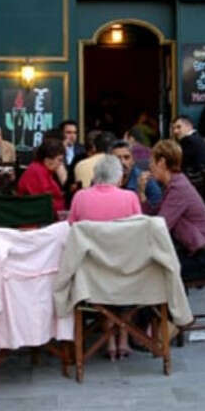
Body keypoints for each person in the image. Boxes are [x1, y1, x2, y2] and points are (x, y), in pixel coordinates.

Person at [67, 154, 143, 359]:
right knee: (126, 268)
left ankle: (109, 340)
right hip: (125, 273)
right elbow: (137, 235)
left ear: (95, 176)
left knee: (103, 273)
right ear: (119, 179)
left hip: (90, 276)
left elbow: (71, 230)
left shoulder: (80, 197)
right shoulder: (130, 198)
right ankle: (123, 337)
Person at [137, 140, 205, 280]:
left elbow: (161, 226)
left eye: (152, 162)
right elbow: (154, 214)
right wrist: (141, 192)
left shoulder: (179, 188)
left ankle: (169, 303)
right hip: (196, 251)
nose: (150, 167)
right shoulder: (174, 184)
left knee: (153, 271)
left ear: (162, 162)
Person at [17, 137, 67, 213]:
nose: (60, 164)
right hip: (37, 220)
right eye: (59, 160)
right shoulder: (37, 171)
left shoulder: (43, 170)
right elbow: (45, 203)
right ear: (47, 160)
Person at [111, 139, 162, 208]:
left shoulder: (146, 181)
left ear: (133, 161)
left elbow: (157, 207)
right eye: (117, 158)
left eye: (126, 157)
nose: (122, 162)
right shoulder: (103, 179)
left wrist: (142, 193)